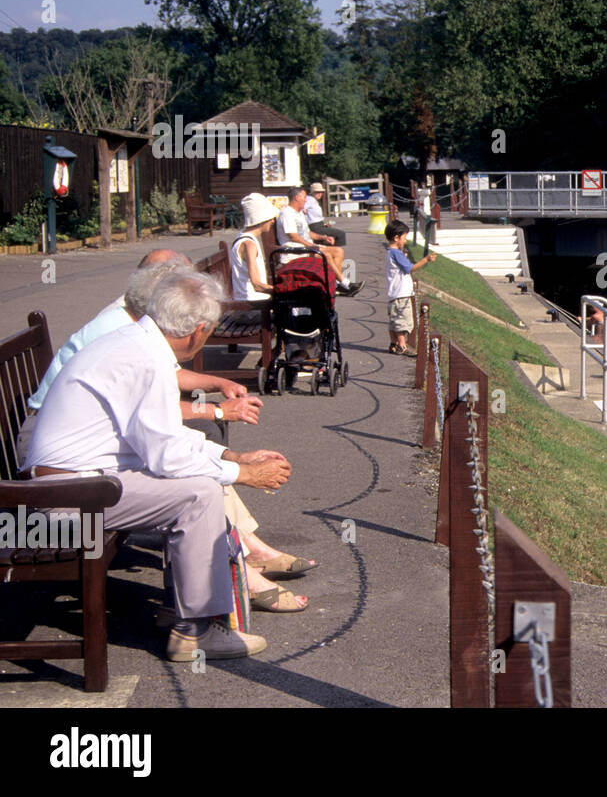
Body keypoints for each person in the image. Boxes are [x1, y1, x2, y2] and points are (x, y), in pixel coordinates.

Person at [23, 270, 293, 660]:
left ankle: (182, 608)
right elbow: (167, 456)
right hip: (63, 498)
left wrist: (232, 458)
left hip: (74, 482)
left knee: (198, 482)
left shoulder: (138, 345)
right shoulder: (147, 360)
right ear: (198, 331)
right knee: (197, 494)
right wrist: (243, 474)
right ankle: (194, 631)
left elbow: (164, 438)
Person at [277, 187, 364, 296]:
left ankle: (335, 284)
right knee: (325, 254)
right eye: (304, 198)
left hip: (304, 247)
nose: (306, 200)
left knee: (338, 251)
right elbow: (293, 237)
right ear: (296, 198)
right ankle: (345, 283)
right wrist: (311, 245)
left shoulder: (299, 213)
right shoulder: (287, 214)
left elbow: (308, 233)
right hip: (294, 250)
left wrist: (323, 237)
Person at [384, 219, 436, 355]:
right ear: (396, 238)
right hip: (401, 294)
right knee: (403, 321)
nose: (405, 241)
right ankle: (402, 345)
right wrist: (426, 259)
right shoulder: (396, 253)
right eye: (404, 238)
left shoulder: (390, 252)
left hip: (393, 293)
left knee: (394, 320)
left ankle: (393, 343)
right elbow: (410, 268)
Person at [229, 193, 278, 301]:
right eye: (270, 218)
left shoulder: (242, 238)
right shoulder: (249, 245)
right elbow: (256, 284)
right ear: (261, 219)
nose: (273, 221)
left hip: (248, 299)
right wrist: (281, 291)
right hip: (252, 303)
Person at [304, 182, 346, 247]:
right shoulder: (310, 199)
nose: (320, 194)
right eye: (317, 192)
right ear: (312, 192)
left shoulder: (314, 201)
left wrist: (325, 224)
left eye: (321, 192)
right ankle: (335, 252)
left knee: (332, 236)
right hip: (314, 227)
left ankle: (331, 250)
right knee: (340, 234)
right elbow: (301, 208)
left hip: (319, 225)